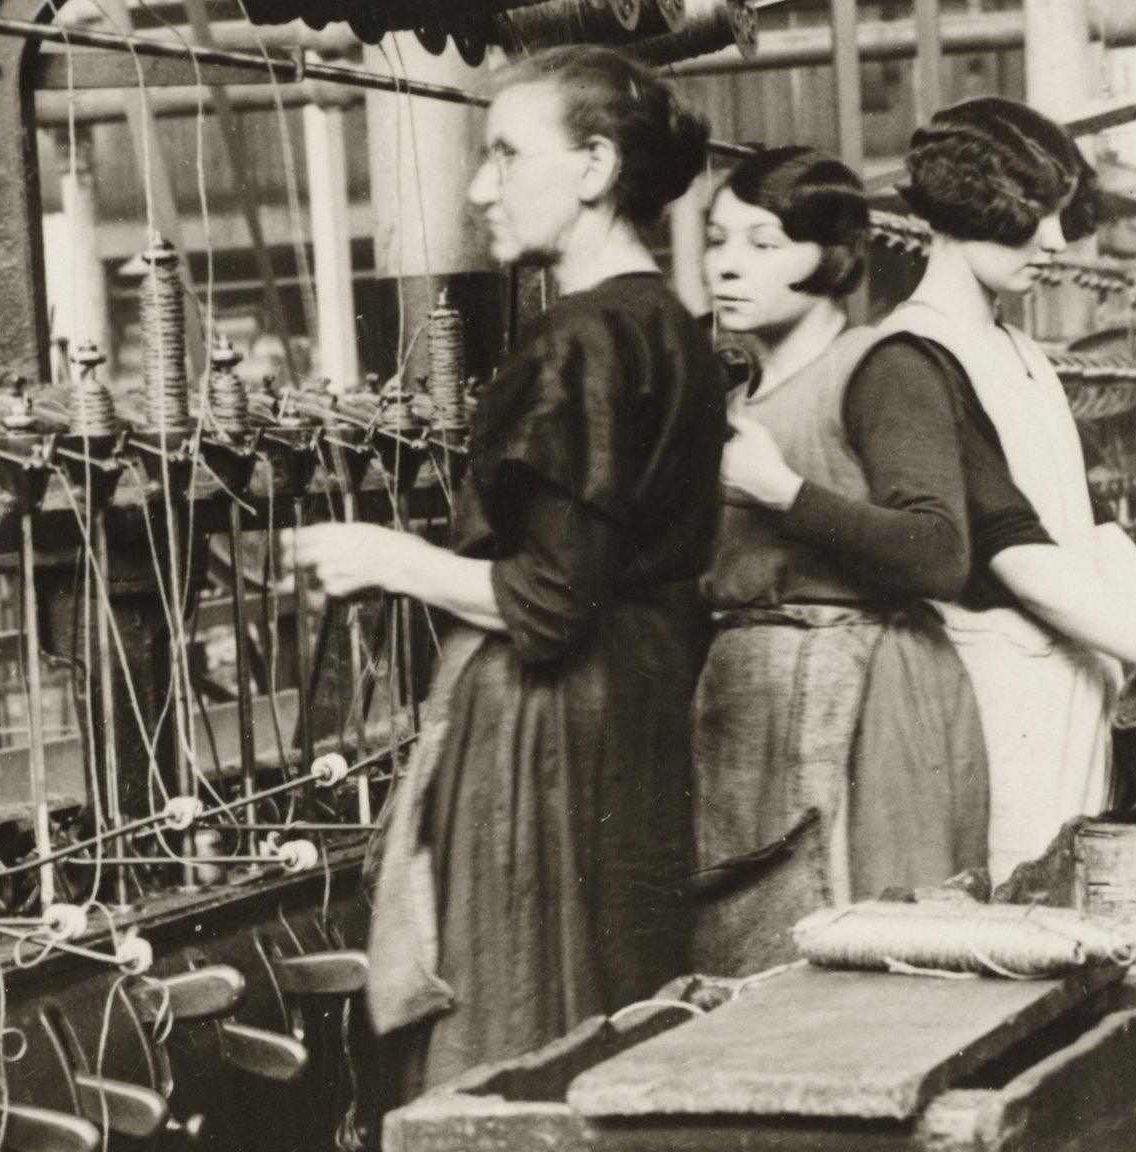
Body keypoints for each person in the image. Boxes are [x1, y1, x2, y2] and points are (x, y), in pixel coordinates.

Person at [283, 46, 724, 1093]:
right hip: (636, 707)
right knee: (609, 1011)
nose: (479, 187)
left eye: (504, 153)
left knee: (516, 1013)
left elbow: (547, 599)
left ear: (592, 169)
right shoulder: (667, 325)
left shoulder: (579, 339)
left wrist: (386, 557)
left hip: (548, 727)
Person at [684, 148, 1039, 975]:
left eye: (763, 243)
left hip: (873, 699)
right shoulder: (739, 403)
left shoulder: (883, 366)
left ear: (832, 256)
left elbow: (941, 553)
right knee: (758, 956)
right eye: (717, 239)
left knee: (878, 953)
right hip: (756, 707)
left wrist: (784, 493)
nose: (728, 263)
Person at [877, 97, 1136, 884]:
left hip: (1079, 682)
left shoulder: (1022, 352)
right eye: (1031, 215)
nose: (1054, 240)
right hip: (1001, 701)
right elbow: (1011, 547)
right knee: (1020, 901)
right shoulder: (913, 358)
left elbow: (1098, 525)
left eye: (1059, 214)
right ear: (968, 203)